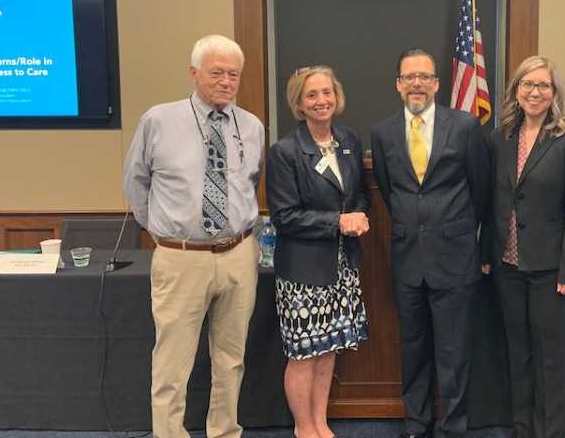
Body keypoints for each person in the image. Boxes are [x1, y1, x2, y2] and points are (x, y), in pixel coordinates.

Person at [123, 34, 265, 438]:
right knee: (172, 363)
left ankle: (224, 432)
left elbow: (249, 185)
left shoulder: (251, 126)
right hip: (180, 257)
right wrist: (166, 232)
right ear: (194, 73)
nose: (226, 81)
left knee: (231, 359)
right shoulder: (159, 120)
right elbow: (136, 184)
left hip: (238, 254)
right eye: (216, 72)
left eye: (233, 74)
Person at [371, 48, 490, 438]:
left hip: (455, 259)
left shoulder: (466, 126)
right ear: (398, 85)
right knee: (413, 350)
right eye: (409, 77)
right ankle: (416, 426)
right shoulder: (383, 131)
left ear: (437, 84)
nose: (417, 83)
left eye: (424, 76)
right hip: (408, 260)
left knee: (454, 353)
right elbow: (390, 191)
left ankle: (454, 429)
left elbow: (481, 190)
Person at [481, 56, 565, 438]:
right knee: (519, 356)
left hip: (551, 271)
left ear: (554, 93)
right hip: (508, 266)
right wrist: (485, 256)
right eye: (527, 84)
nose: (535, 92)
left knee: (553, 362)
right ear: (516, 90)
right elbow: (491, 200)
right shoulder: (500, 137)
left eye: (543, 85)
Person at [266, 65, 370, 438]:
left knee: (329, 349)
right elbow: (285, 216)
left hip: (343, 265)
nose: (321, 100)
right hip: (303, 271)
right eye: (312, 95)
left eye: (327, 92)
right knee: (304, 352)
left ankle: (321, 422)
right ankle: (303, 427)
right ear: (299, 103)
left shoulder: (348, 140)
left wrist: (358, 215)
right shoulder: (285, 152)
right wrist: (338, 222)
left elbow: (358, 193)